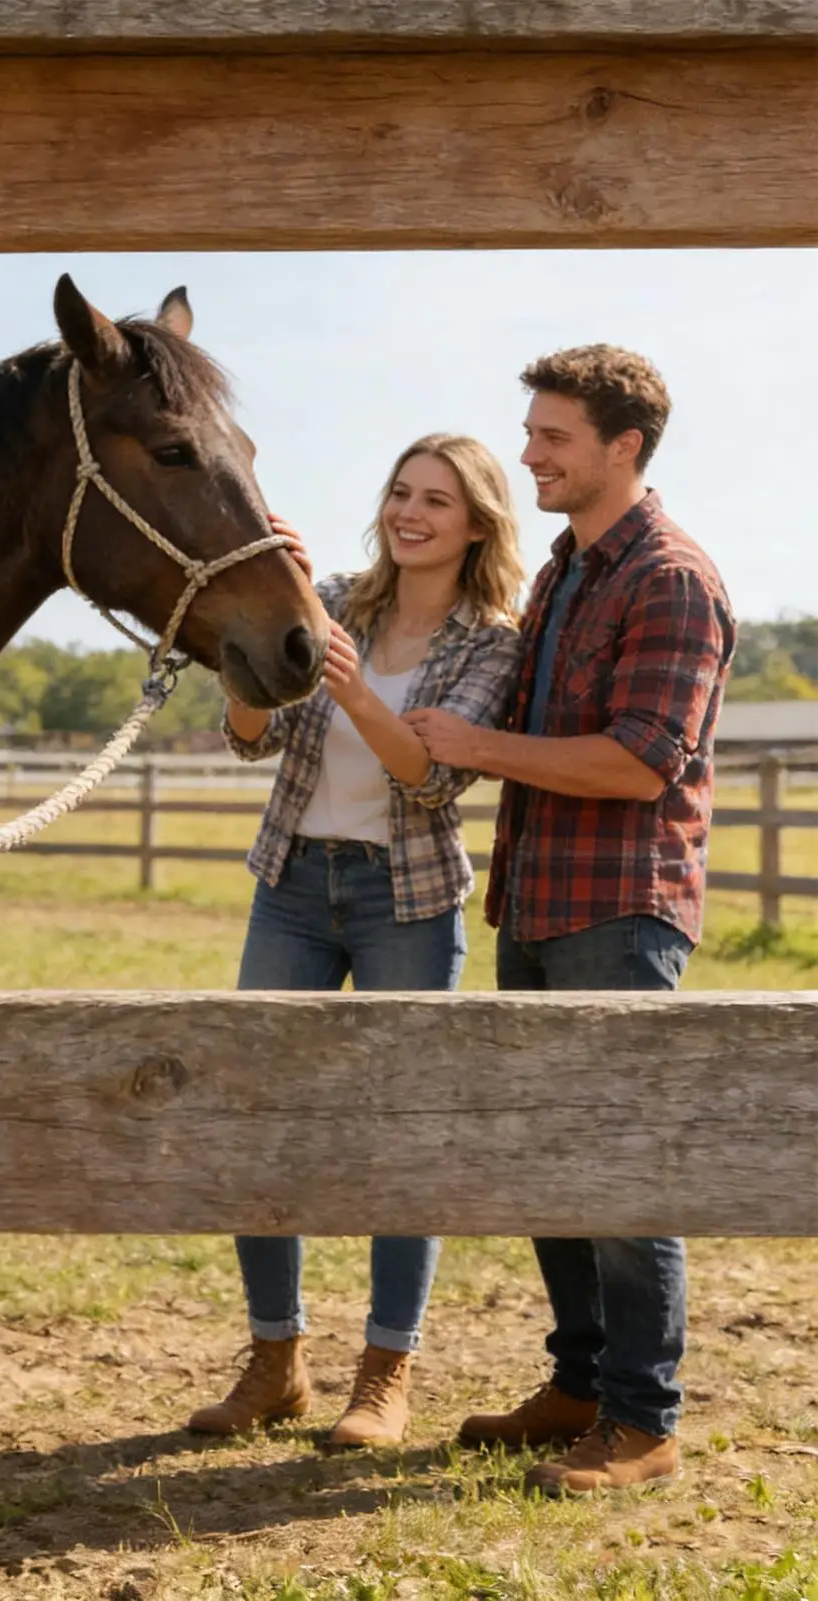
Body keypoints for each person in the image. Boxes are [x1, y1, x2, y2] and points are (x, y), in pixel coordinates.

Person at [406, 346, 735, 1494]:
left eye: (552, 437)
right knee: (550, 1156)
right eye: (531, 432)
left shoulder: (669, 578)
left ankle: (642, 1420)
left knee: (622, 1162)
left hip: (618, 909)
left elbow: (642, 762)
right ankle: (581, 1382)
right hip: (536, 902)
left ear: (622, 448)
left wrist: (480, 748)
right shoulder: (561, 568)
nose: (529, 454)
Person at [191, 435, 525, 1450]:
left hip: (406, 899)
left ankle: (383, 1373)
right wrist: (261, 631)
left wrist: (348, 685)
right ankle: (273, 1359)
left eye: (435, 498)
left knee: (403, 1137)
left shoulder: (487, 641)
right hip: (293, 885)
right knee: (258, 1118)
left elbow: (426, 777)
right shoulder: (332, 597)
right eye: (397, 490)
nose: (408, 511)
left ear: (474, 522)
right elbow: (249, 734)